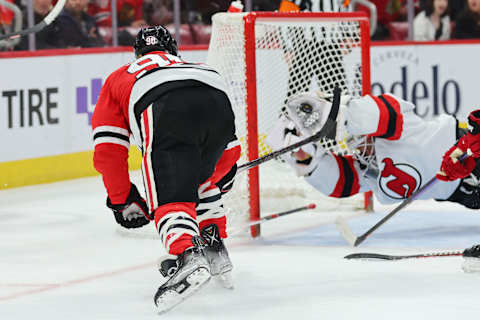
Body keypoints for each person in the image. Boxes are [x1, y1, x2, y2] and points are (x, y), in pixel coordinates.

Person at [91, 26, 241, 313]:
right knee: (202, 177)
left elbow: (108, 150)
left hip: (163, 105)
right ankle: (212, 243)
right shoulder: (195, 66)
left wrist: (122, 197)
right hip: (214, 99)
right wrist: (224, 171)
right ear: (173, 50)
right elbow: (230, 143)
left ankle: (188, 254)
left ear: (136, 54)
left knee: (170, 195)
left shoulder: (120, 77)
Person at [265, 90, 480, 210]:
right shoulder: (369, 171)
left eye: (357, 137)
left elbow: (382, 113)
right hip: (465, 194)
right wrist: (304, 159)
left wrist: (332, 114)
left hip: (467, 147)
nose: (356, 148)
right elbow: (340, 182)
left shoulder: (401, 129)